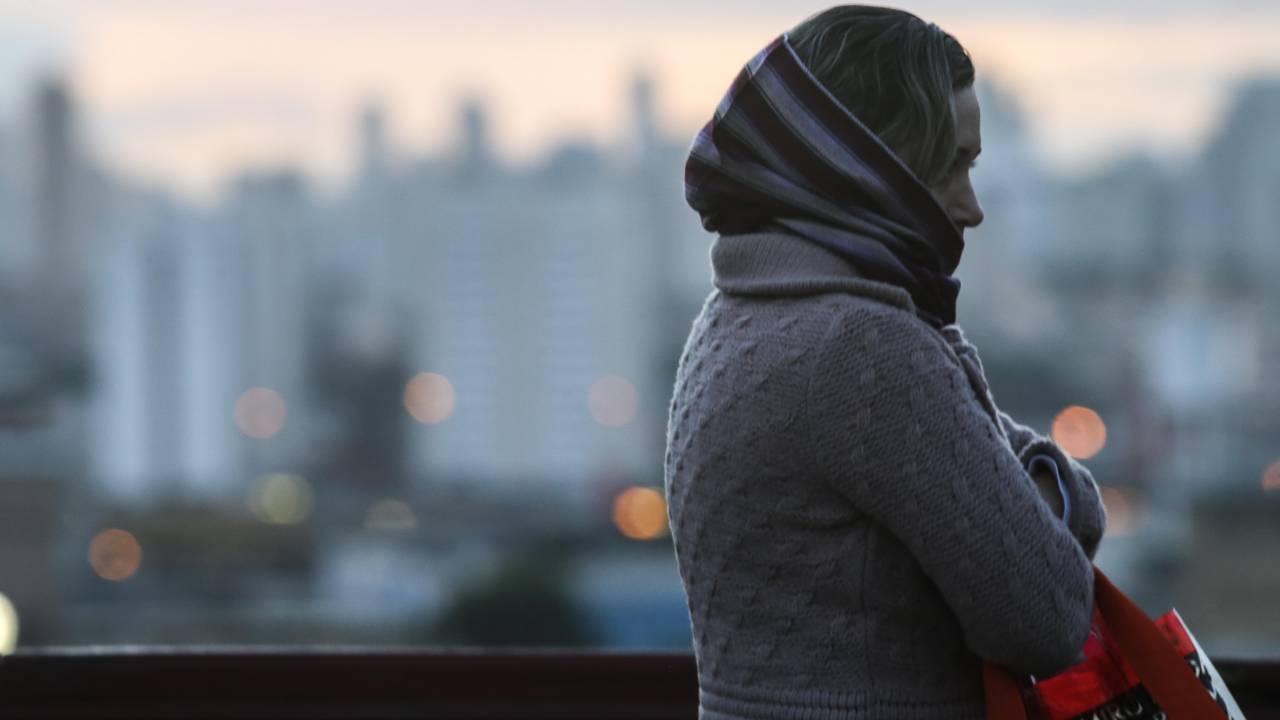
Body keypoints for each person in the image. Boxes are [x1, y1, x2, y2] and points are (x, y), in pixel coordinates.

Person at [665, 6, 1108, 719]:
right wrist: (1049, 497)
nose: (971, 208)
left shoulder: (732, 317)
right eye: (953, 167)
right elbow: (1048, 617)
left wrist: (1004, 486)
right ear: (874, 170)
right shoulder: (864, 349)